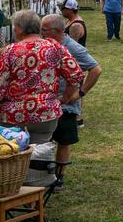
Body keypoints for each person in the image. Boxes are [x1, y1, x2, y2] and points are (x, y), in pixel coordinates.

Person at [0, 10, 83, 143]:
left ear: (18, 29)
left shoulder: (10, 52)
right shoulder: (54, 47)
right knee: (40, 151)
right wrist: (64, 98)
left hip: (12, 116)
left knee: (14, 151)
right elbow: (75, 75)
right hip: (46, 114)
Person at [41, 14, 102, 189]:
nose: (41, 33)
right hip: (44, 102)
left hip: (65, 105)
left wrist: (80, 93)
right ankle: (42, 174)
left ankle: (59, 177)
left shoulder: (73, 48)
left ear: (56, 31)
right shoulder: (43, 44)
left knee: (63, 140)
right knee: (43, 140)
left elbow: (96, 70)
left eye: (44, 30)